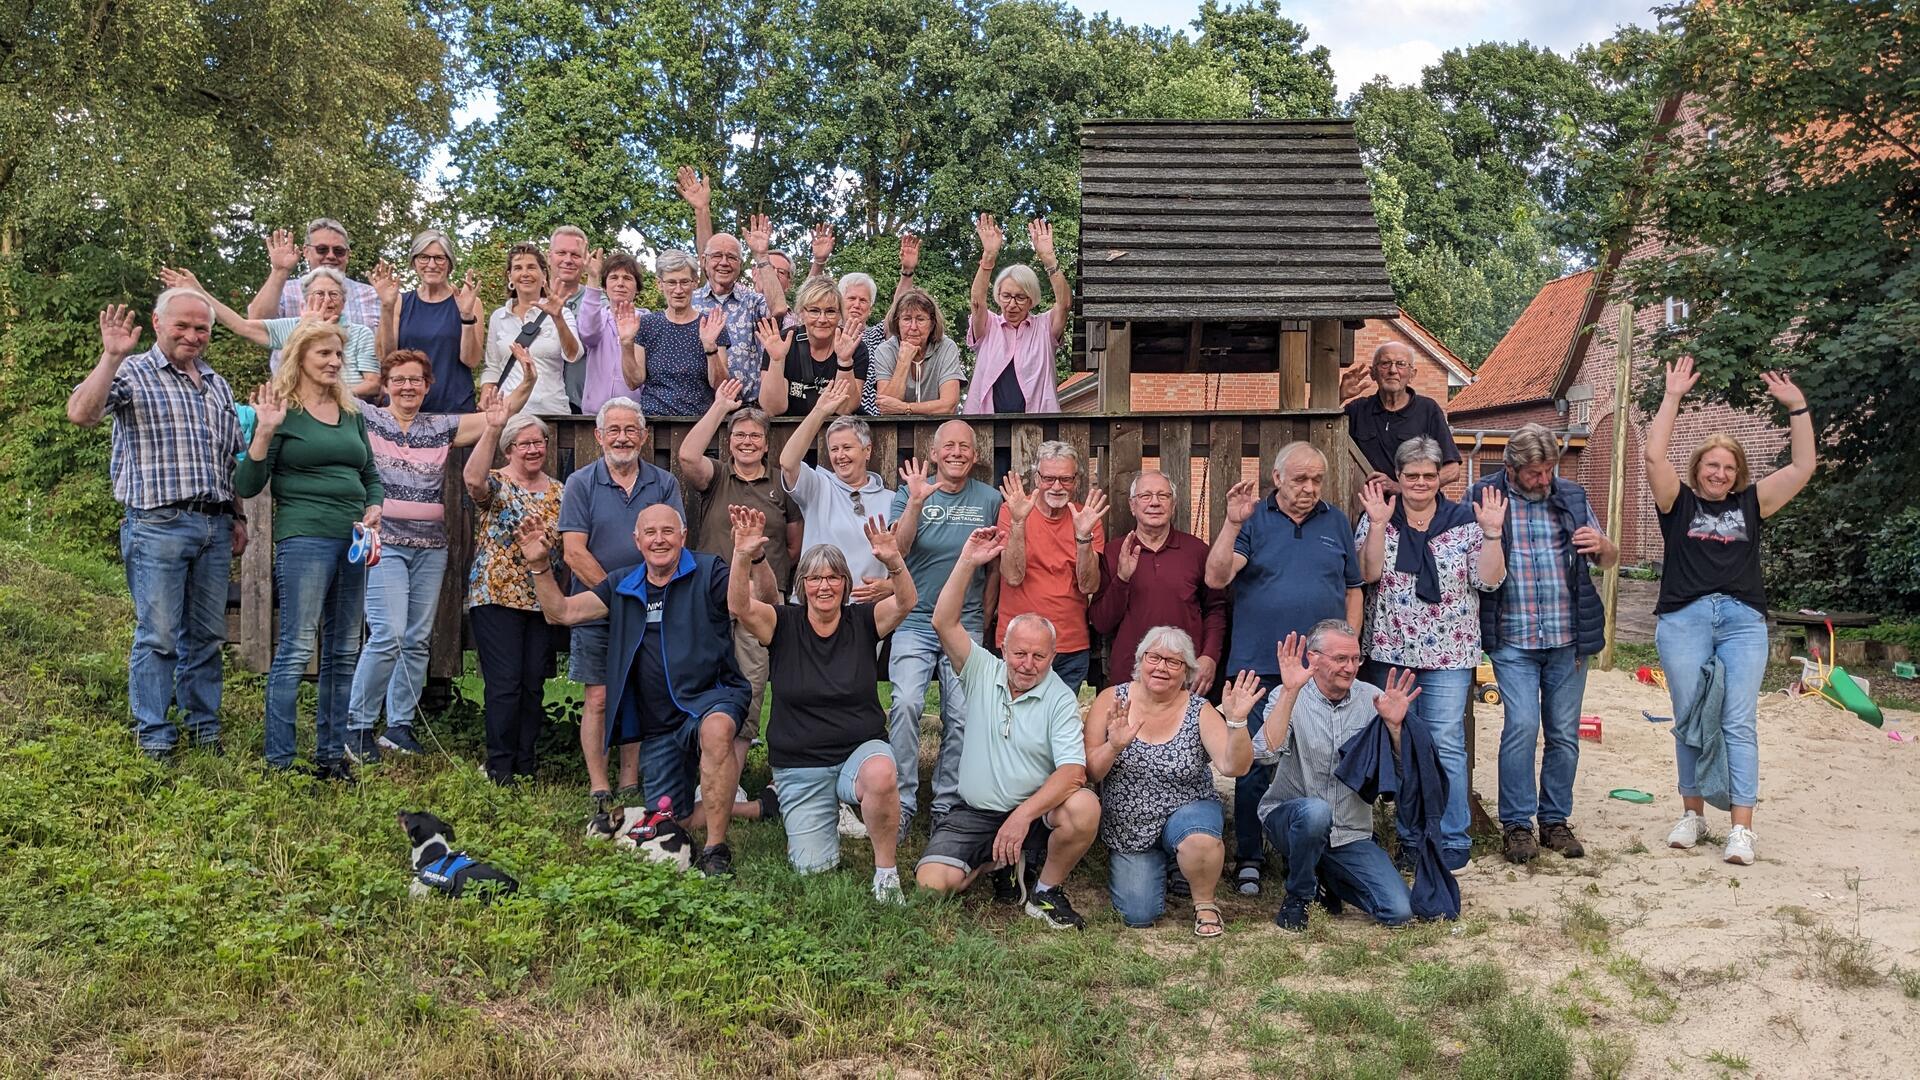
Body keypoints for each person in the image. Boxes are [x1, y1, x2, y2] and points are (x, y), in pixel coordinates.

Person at [523, 505, 754, 876]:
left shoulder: (709, 570)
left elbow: (744, 603)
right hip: (659, 722)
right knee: (672, 819)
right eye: (650, 533)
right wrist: (540, 566)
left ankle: (715, 850)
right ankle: (758, 807)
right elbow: (561, 613)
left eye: (668, 531)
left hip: (712, 697)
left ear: (683, 536)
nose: (659, 539)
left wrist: (745, 557)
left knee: (717, 731)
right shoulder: (622, 584)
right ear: (637, 541)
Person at [1646, 358, 1814, 866]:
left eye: (1728, 467)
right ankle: (1693, 815)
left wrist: (1798, 408)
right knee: (1690, 719)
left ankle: (1741, 829)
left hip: (1742, 621)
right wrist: (1671, 396)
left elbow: (1803, 468)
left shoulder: (1751, 505)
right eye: (1711, 465)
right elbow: (1654, 458)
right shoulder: (1676, 503)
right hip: (1684, 619)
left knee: (1739, 722)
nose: (1719, 473)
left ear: (1737, 474)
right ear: (1697, 468)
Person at [66, 295, 244, 761]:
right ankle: (154, 734)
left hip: (215, 524)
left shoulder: (216, 384)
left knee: (207, 637)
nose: (192, 336)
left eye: (202, 328)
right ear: (157, 322)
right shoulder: (132, 373)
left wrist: (238, 515)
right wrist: (110, 356)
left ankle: (204, 729)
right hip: (157, 524)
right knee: (160, 635)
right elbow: (82, 414)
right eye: (182, 326)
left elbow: (230, 458)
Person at [342, 349, 537, 764]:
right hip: (385, 543)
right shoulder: (367, 418)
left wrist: (529, 381)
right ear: (386, 386)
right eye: (399, 380)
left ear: (428, 386)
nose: (407, 387)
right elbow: (323, 388)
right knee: (389, 633)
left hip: (430, 546)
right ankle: (356, 726)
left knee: (415, 640)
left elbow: (497, 416)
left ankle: (399, 726)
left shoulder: (439, 426)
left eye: (416, 380)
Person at [916, 527, 1100, 930]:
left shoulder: (1060, 698)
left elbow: (1073, 773)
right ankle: (994, 862)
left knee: (1084, 806)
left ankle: (1046, 890)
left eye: (1038, 656)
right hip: (975, 812)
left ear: (1052, 656)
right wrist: (967, 561)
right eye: (1019, 653)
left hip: (1035, 814)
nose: (1027, 664)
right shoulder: (982, 669)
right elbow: (943, 621)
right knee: (931, 885)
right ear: (1004, 649)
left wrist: (1021, 816)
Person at [1205, 442, 1364, 897]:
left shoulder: (1335, 520)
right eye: (1300, 480)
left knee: (1327, 759)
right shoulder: (1252, 519)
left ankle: (1319, 854)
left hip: (1323, 670)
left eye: (1316, 479)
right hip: (1259, 666)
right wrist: (1233, 522)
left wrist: (1348, 646)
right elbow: (1217, 577)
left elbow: (1353, 587)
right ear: (1277, 478)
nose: (1310, 488)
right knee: (1255, 762)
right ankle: (1250, 858)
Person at [729, 510, 915, 900]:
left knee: (882, 773)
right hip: (800, 765)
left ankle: (886, 872)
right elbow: (742, 607)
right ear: (803, 585)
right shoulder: (782, 623)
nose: (824, 586)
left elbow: (905, 603)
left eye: (833, 577)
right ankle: (824, 815)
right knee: (812, 871)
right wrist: (742, 555)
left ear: (845, 584)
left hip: (858, 751)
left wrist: (893, 560)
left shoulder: (862, 620)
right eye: (815, 578)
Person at [233, 321, 384, 779]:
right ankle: (280, 760)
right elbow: (249, 483)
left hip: (352, 541)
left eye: (338, 355)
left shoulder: (351, 412)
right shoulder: (282, 413)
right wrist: (263, 433)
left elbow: (370, 474)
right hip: (304, 538)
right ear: (299, 357)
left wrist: (374, 506)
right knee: (297, 647)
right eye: (325, 355)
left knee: (343, 650)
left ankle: (331, 756)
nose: (335, 363)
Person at [1355, 436, 1507, 869]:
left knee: (1446, 745)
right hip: (1391, 651)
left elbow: (1490, 581)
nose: (1420, 483)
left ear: (1440, 476)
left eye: (1428, 475)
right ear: (1398, 478)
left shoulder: (1466, 520)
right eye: (1411, 475)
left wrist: (1493, 534)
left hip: (1449, 655)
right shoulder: (1379, 516)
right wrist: (1380, 525)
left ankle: (1452, 837)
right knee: (1403, 746)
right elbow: (1367, 573)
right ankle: (1411, 839)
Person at [1472, 424, 1617, 864]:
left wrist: (1604, 545)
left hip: (1568, 637)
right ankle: (1517, 826)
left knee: (1562, 733)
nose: (1544, 479)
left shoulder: (1571, 496)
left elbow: (1609, 560)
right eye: (1535, 472)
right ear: (1512, 469)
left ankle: (1554, 820)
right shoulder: (1485, 496)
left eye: (1550, 469)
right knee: (1521, 727)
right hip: (1512, 635)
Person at [1084, 629, 1261, 936]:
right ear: (1141, 661)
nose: (1161, 667)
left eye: (1174, 662)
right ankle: (1172, 863)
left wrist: (1236, 722)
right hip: (1131, 827)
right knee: (1138, 914)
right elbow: (1091, 773)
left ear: (1188, 672)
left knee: (1198, 839)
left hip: (1189, 812)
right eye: (1154, 658)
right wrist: (1113, 746)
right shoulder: (1111, 700)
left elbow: (1235, 766)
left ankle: (1205, 902)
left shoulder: (1199, 709)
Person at [558, 397, 686, 802]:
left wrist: (640, 598)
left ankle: (631, 779)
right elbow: (574, 551)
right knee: (597, 696)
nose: (622, 437)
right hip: (597, 608)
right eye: (613, 430)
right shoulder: (581, 483)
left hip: (652, 607)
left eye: (631, 429)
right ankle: (600, 783)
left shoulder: (663, 483)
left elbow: (675, 542)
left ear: (644, 437)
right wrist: (619, 598)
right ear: (598, 436)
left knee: (640, 691)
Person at [1255, 624, 1419, 931]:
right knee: (1316, 813)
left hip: (1350, 832)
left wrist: (1395, 730)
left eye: (1356, 659)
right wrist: (1290, 692)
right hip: (1290, 820)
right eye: (1341, 659)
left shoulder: (1373, 698)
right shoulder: (1287, 693)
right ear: (1313, 659)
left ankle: (1326, 876)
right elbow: (1264, 754)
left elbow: (1401, 773)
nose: (1350, 667)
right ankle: (1299, 895)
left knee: (1400, 912)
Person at [679, 379, 803, 783]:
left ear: (767, 444)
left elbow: (794, 544)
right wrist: (719, 407)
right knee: (706, 674)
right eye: (739, 435)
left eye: (755, 436)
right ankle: (703, 769)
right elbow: (686, 455)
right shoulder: (716, 476)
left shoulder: (780, 487)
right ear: (729, 442)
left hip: (762, 599)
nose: (747, 441)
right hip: (712, 596)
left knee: (752, 681)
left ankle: (729, 778)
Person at [887, 422, 1004, 836]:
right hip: (914, 621)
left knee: (964, 714)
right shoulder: (910, 493)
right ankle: (901, 801)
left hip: (964, 624)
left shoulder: (990, 500)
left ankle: (947, 803)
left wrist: (984, 622)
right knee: (904, 704)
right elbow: (897, 551)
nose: (956, 452)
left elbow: (995, 571)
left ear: (975, 455)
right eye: (948, 446)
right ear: (934, 454)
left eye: (965, 446)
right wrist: (916, 503)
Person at [462, 404, 564, 783]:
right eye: (524, 444)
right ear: (509, 450)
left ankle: (526, 764)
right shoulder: (496, 483)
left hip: (541, 597)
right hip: (497, 594)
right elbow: (473, 481)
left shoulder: (559, 490)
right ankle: (499, 765)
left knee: (533, 683)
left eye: (539, 442)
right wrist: (492, 427)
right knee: (505, 683)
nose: (533, 449)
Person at [1089, 469, 1226, 692]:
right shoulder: (1114, 552)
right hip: (1130, 678)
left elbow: (1216, 610)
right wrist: (1122, 579)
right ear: (1132, 506)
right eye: (1146, 496)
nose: (1155, 502)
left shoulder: (1196, 551)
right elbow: (1102, 622)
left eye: (1163, 496)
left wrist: (1209, 656)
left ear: (1173, 505)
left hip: (1185, 676)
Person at [162, 265, 379, 399]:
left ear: (344, 300)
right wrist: (199, 292)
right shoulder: (291, 327)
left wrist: (335, 396)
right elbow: (241, 326)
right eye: (319, 294)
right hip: (301, 413)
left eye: (334, 294)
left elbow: (372, 384)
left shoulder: (360, 333)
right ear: (305, 299)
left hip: (350, 413)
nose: (326, 300)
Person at [995, 441, 1106, 692]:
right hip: (1019, 646)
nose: (1057, 486)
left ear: (1076, 481)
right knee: (1013, 722)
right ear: (1037, 478)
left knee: (1058, 728)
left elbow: (1089, 584)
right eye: (1049, 478)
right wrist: (1018, 523)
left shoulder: (1085, 518)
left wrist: (1083, 536)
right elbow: (1012, 576)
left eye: (1065, 479)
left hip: (1068, 645)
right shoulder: (1012, 511)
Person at [778, 380, 896, 595]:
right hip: (814, 605)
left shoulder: (892, 499)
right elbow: (787, 462)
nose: (840, 456)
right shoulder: (818, 486)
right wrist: (819, 412)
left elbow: (906, 556)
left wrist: (890, 587)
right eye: (834, 449)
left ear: (867, 450)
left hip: (865, 611)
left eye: (847, 447)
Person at [677, 170, 773, 398]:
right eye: (717, 257)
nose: (724, 263)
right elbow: (707, 256)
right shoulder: (690, 299)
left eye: (731, 257)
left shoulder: (753, 302)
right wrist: (701, 210)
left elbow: (779, 310)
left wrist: (761, 256)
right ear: (705, 261)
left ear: (740, 264)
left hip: (745, 411)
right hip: (696, 409)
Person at [962, 214, 1070, 414]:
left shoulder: (1044, 326)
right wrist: (988, 257)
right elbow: (977, 302)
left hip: (1036, 427)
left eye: (1020, 297)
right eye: (1006, 296)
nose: (1012, 304)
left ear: (1031, 300)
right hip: (987, 427)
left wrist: (1049, 259)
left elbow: (1064, 305)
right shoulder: (989, 325)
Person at [370, 230, 486, 414]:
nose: (432, 265)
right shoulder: (399, 302)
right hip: (405, 411)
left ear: (449, 264)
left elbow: (471, 360)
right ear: (414, 262)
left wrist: (465, 315)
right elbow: (386, 356)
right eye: (424, 257)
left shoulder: (469, 302)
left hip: (453, 409)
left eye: (439, 258)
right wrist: (386, 307)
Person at [245, 220, 381, 370]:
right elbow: (255, 323)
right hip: (295, 391)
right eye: (322, 249)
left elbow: (387, 347)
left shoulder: (371, 294)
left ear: (348, 255)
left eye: (339, 251)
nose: (330, 256)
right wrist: (279, 272)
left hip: (359, 391)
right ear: (306, 251)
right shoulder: (284, 289)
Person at [622, 250, 729, 418]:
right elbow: (633, 382)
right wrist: (626, 343)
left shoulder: (711, 325)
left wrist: (710, 348)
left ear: (694, 283)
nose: (678, 290)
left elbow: (721, 385)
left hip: (700, 424)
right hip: (654, 423)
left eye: (685, 282)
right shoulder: (647, 324)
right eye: (671, 282)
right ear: (660, 284)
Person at [1343, 342, 1461, 491]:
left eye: (1401, 364)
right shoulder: (1357, 410)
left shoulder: (1428, 410)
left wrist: (1401, 488)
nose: (1393, 370)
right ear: (1373, 373)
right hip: (1365, 507)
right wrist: (1338, 397)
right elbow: (1323, 437)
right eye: (1385, 364)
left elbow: (1452, 471)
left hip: (1415, 508)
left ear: (1412, 374)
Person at [484, 242, 581, 417]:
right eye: (518, 268)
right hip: (508, 413)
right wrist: (486, 394)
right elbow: (492, 367)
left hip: (553, 412)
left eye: (531, 267)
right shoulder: (498, 317)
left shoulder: (562, 313)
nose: (525, 274)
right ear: (510, 276)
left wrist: (557, 318)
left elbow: (573, 355)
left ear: (543, 274)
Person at [756, 275, 868, 417]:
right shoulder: (782, 342)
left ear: (840, 315)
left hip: (837, 432)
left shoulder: (854, 346)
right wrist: (777, 361)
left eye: (830, 311)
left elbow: (845, 409)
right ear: (801, 313)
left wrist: (845, 362)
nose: (822, 319)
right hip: (790, 433)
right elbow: (773, 409)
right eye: (814, 311)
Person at [575, 249, 649, 416]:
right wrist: (593, 278)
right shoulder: (596, 317)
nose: (620, 283)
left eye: (628, 278)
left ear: (637, 287)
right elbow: (587, 334)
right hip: (595, 413)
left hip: (635, 413)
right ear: (604, 286)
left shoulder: (647, 321)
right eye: (614, 278)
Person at [868, 287, 964, 416]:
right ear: (897, 323)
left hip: (940, 428)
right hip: (896, 430)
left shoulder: (946, 347)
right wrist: (903, 361)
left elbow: (948, 406)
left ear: (932, 324)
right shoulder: (885, 350)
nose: (913, 327)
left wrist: (905, 408)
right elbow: (885, 408)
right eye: (907, 319)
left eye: (920, 319)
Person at [546, 225, 592, 411]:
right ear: (549, 257)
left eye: (575, 255)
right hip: (539, 403)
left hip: (583, 406)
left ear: (585, 260)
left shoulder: (599, 302)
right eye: (561, 253)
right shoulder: (530, 300)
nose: (568, 260)